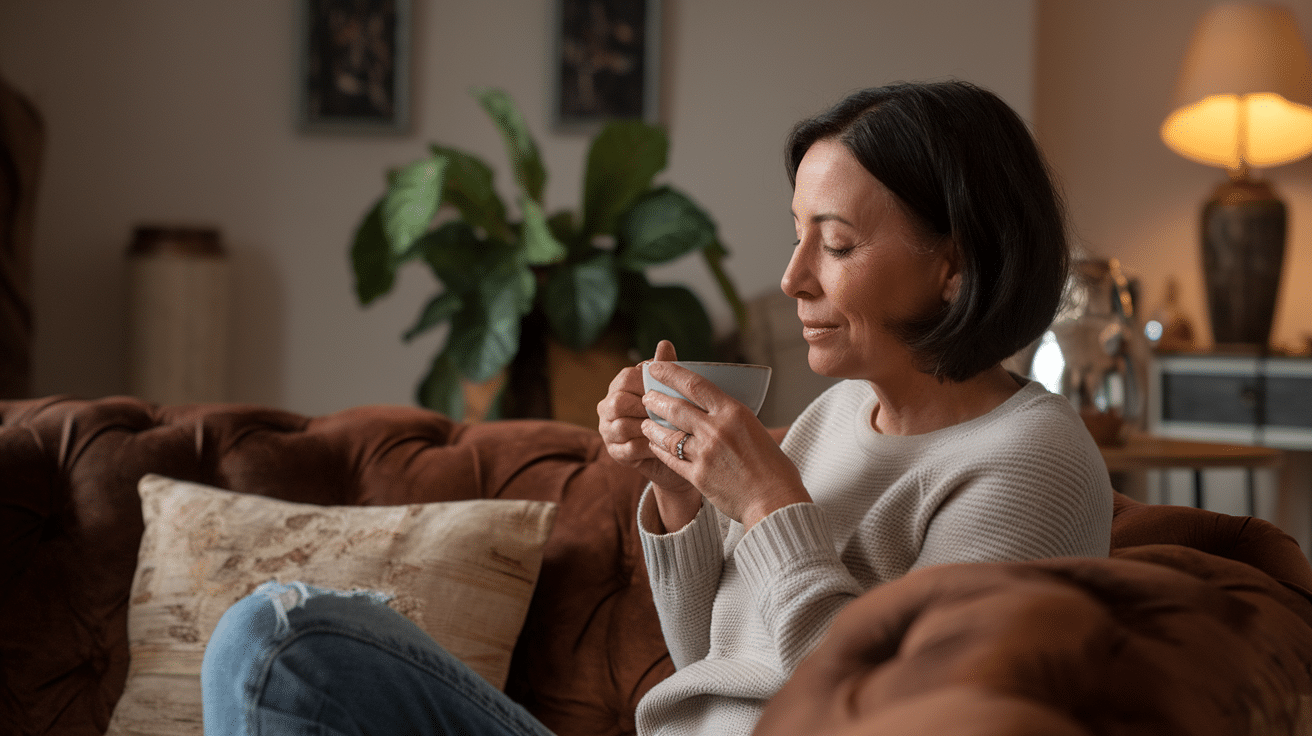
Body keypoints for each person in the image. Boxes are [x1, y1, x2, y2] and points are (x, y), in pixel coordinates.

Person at [200, 80, 1112, 736]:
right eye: (797, 237)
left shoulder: (1031, 461)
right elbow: (714, 668)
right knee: (285, 635)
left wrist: (766, 506)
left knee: (280, 643)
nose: (793, 279)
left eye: (832, 244)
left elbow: (893, 710)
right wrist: (681, 498)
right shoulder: (836, 418)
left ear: (954, 263)